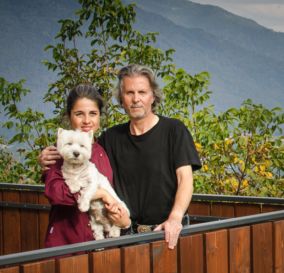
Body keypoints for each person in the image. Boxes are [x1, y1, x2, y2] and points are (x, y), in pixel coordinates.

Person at [39, 65, 202, 249]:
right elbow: (78, 151)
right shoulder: (110, 139)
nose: (136, 99)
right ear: (121, 98)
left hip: (168, 232)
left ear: (153, 96)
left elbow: (185, 178)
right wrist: (45, 157)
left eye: (142, 92)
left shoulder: (174, 130)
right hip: (126, 236)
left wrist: (175, 218)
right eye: (129, 92)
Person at [42, 84, 131, 248]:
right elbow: (54, 193)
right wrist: (101, 193)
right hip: (68, 243)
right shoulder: (57, 153)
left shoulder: (104, 150)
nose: (87, 120)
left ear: (99, 117)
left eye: (93, 114)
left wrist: (123, 221)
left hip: (103, 243)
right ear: (68, 117)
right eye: (79, 114)